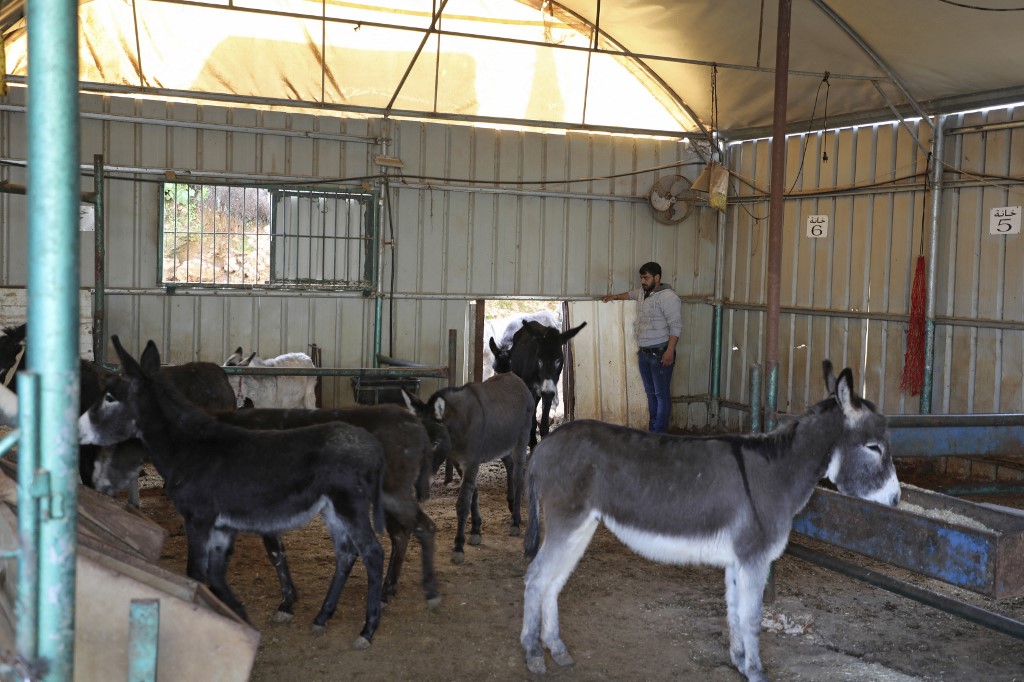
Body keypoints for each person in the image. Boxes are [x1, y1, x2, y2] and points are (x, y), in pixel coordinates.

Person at [601, 261, 682, 433]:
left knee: (661, 396)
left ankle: (659, 436)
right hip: (645, 353)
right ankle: (653, 433)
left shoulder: (668, 297)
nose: (643, 281)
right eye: (641, 278)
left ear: (657, 278)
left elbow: (676, 326)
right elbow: (629, 294)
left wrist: (669, 352)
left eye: (646, 278)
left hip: (660, 353)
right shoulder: (642, 293)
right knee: (651, 394)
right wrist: (613, 297)